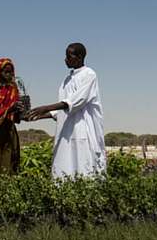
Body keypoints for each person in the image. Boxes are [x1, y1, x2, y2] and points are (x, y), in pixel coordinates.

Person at [25, 43, 106, 179]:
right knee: (63, 169)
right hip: (65, 132)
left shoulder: (89, 74)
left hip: (82, 130)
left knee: (83, 168)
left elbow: (76, 101)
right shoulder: (67, 80)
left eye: (69, 56)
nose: (66, 60)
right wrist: (37, 115)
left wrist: (46, 107)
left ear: (79, 57)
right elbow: (61, 110)